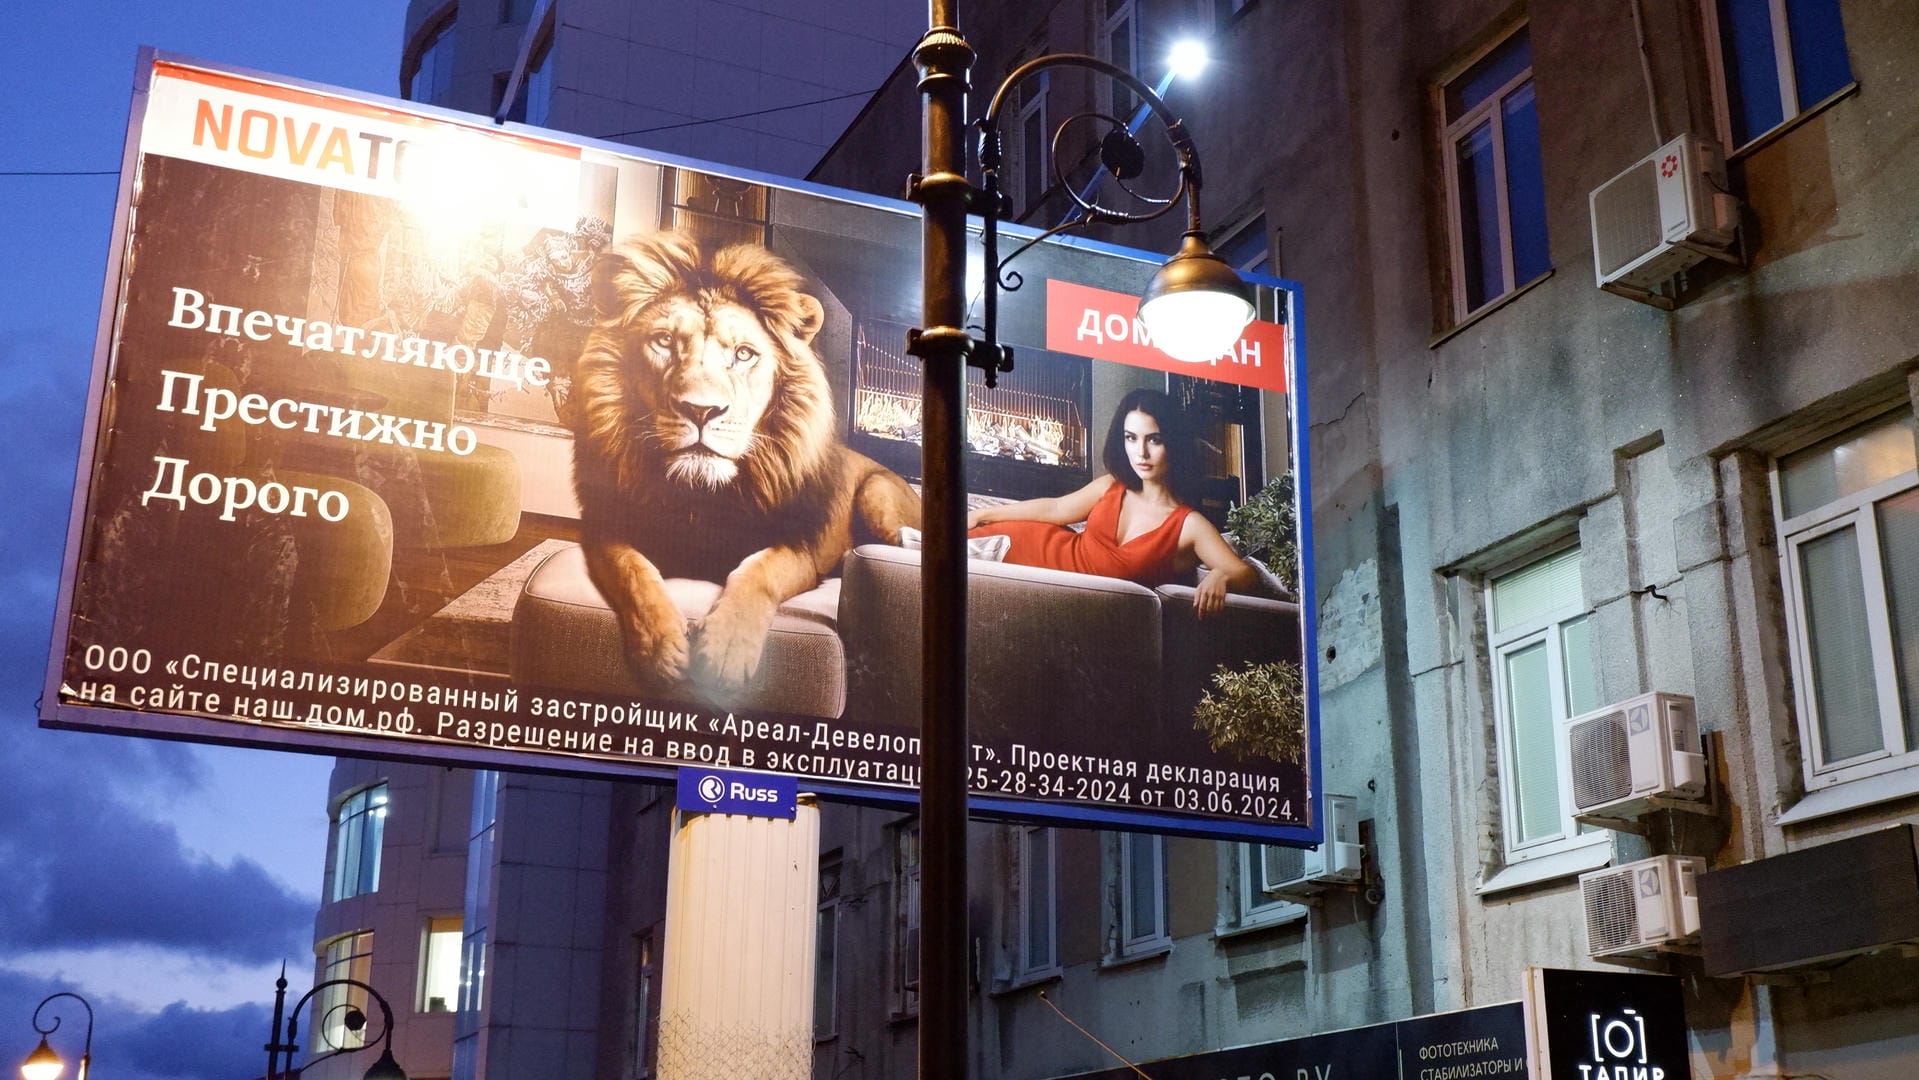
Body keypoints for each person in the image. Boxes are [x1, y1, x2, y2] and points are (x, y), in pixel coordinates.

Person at [966, 388, 1259, 617]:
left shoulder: (1188, 525)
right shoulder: (1111, 486)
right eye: (1131, 438)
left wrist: (1220, 575)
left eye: (1154, 439)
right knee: (928, 538)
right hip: (1022, 546)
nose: (1140, 452)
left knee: (930, 543)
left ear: (1174, 443)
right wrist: (985, 514)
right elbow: (1056, 509)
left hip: (1045, 586)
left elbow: (1245, 575)